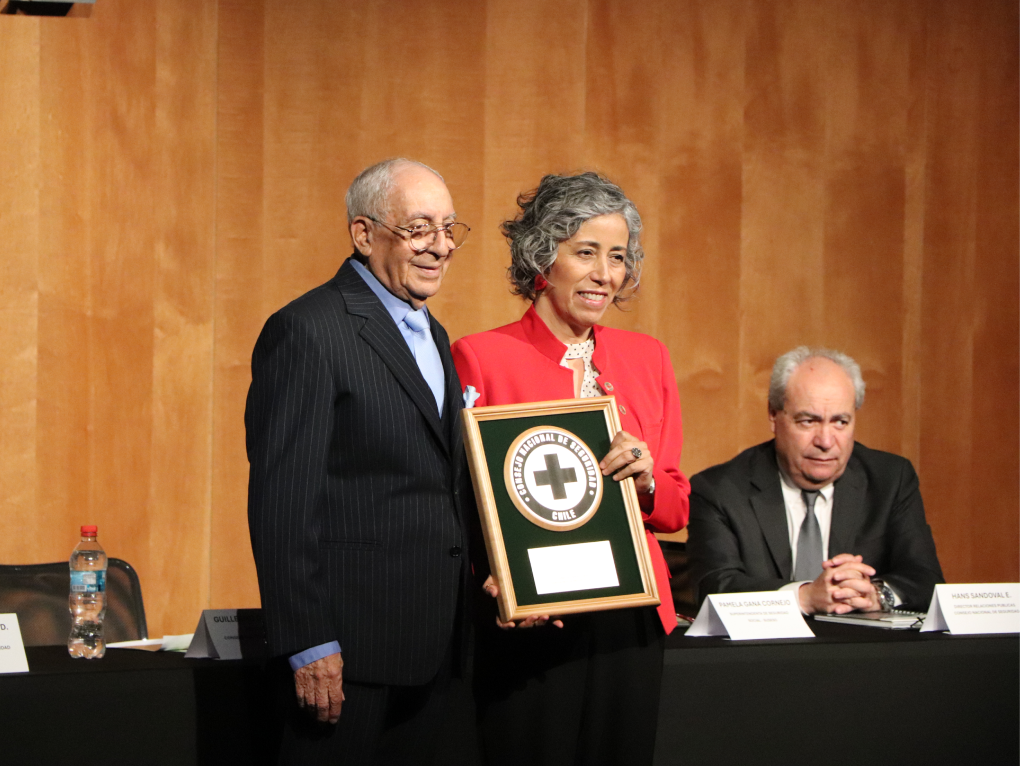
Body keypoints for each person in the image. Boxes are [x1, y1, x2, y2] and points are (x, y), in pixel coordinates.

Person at [452, 172, 689, 765]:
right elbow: (461, 499)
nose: (604, 274)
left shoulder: (647, 356)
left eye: (617, 257)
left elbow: (678, 505)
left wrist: (648, 480)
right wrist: (493, 576)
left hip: (631, 618)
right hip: (539, 619)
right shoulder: (480, 355)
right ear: (542, 256)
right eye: (585, 252)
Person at [245, 158, 475, 765]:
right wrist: (308, 642)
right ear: (364, 234)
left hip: (439, 649)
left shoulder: (436, 333)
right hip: (348, 656)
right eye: (420, 227)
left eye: (450, 228)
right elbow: (283, 503)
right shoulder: (307, 331)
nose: (441, 246)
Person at [688, 346, 944, 614]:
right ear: (774, 415)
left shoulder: (890, 480)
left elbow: (926, 580)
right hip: (763, 653)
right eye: (808, 421)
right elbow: (713, 587)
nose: (825, 441)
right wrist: (804, 597)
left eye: (840, 422)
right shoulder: (719, 490)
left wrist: (876, 595)